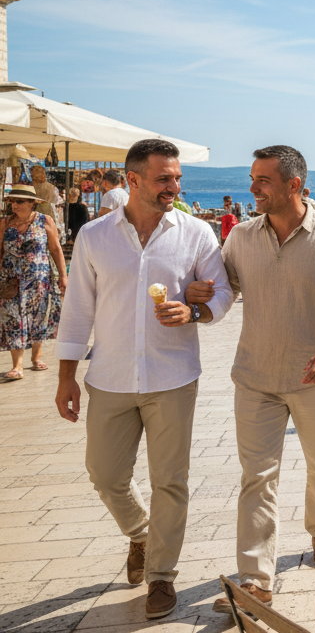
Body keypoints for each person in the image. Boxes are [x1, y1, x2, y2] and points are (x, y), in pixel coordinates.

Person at [186, 145, 315, 613]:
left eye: (262, 180)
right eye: (252, 178)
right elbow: (223, 290)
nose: (252, 188)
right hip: (255, 376)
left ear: (293, 185)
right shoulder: (242, 238)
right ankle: (255, 580)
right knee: (257, 477)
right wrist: (199, 296)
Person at [54, 140, 233, 619]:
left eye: (177, 178)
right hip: (109, 377)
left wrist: (194, 309)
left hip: (173, 377)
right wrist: (66, 377)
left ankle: (161, 576)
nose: (174, 187)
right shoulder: (94, 236)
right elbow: (77, 311)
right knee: (105, 475)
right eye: (164, 179)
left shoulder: (196, 233)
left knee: (169, 481)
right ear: (132, 180)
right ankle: (140, 533)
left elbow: (223, 294)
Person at [2, 184, 66, 379]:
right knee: (14, 319)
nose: (15, 204)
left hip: (39, 280)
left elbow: (55, 249)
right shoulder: (4, 224)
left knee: (38, 318)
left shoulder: (44, 221)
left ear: (32, 203)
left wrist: (63, 276)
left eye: (20, 201)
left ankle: (36, 356)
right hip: (10, 282)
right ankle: (17, 365)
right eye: (12, 201)